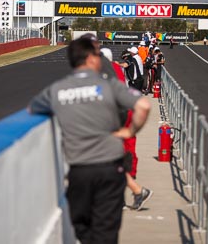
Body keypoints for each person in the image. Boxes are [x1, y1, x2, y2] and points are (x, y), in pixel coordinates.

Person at [28, 38, 151, 244]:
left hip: (79, 170)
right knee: (106, 232)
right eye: (97, 55)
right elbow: (143, 105)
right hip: (110, 168)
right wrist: (129, 131)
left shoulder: (57, 89)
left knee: (82, 228)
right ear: (90, 60)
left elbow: (33, 108)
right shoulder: (109, 85)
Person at [101, 48, 153, 211]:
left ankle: (124, 195)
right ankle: (134, 189)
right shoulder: (116, 68)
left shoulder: (102, 70)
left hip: (117, 113)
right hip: (128, 108)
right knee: (127, 150)